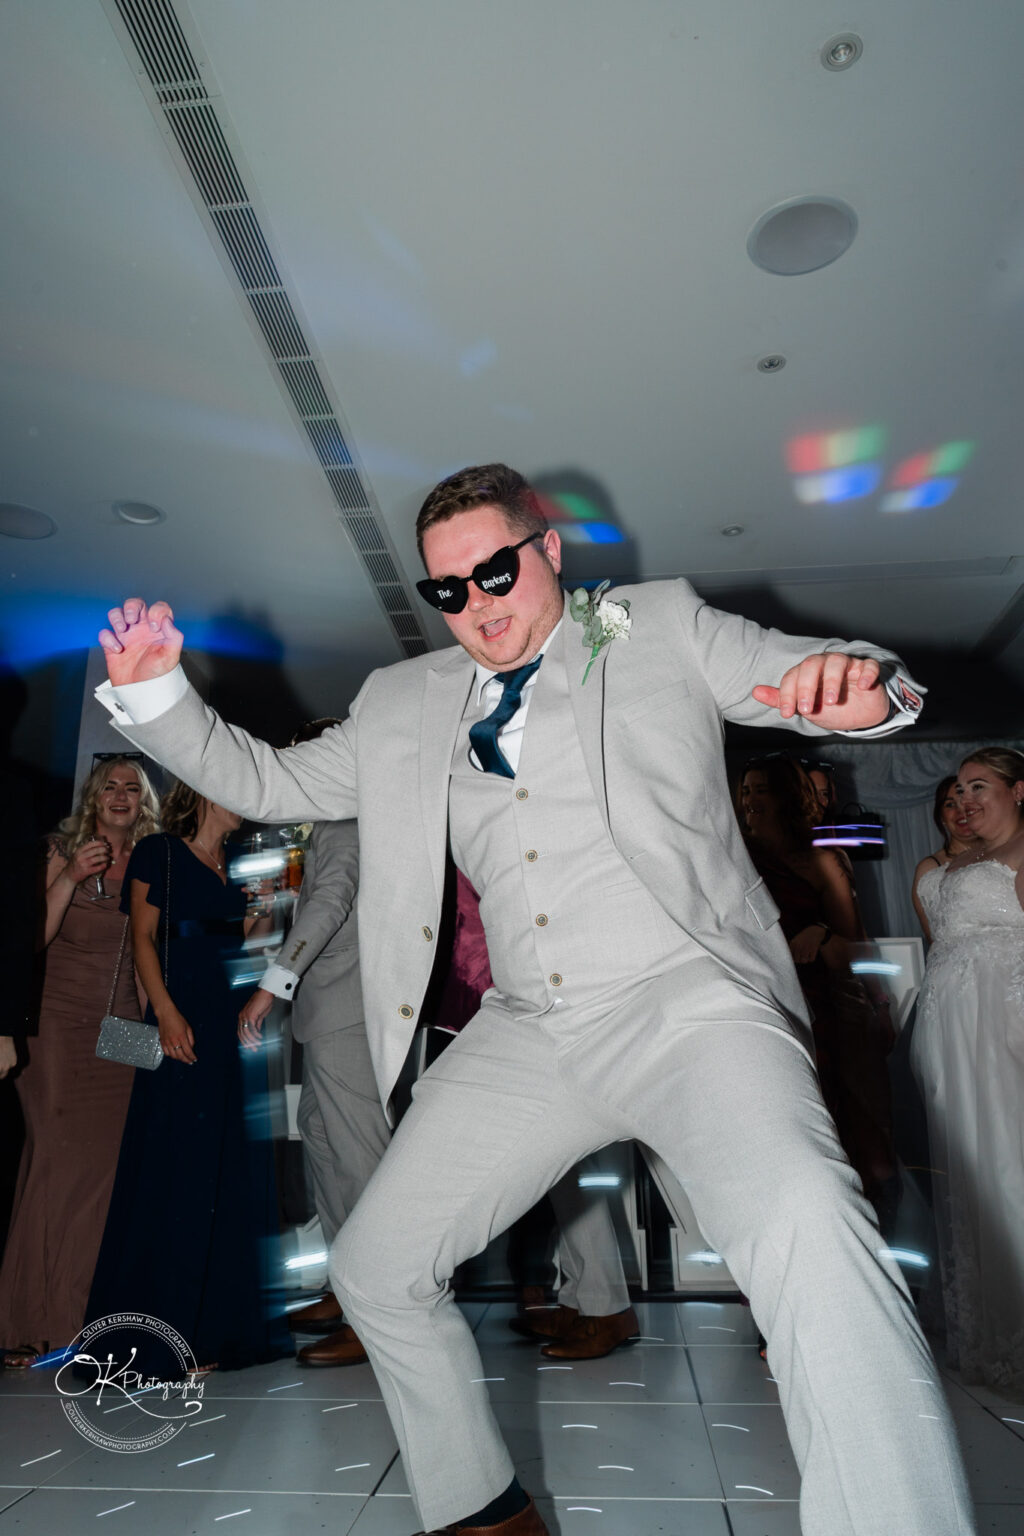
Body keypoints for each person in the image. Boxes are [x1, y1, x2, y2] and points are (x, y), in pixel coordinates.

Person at [94, 462, 972, 1536]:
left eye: (494, 572)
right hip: (531, 1029)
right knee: (374, 1267)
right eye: (447, 592)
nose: (477, 607)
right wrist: (158, 699)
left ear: (548, 549)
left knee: (807, 1228)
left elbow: (808, 674)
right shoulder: (400, 702)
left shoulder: (654, 625)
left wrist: (860, 688)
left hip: (688, 1001)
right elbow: (271, 783)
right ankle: (482, 1511)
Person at [84, 782, 290, 1376]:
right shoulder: (160, 852)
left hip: (226, 1026)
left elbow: (236, 948)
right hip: (178, 1018)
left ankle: (211, 1333)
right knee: (175, 1170)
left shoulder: (235, 865)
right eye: (231, 791)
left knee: (222, 1167)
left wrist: (263, 913)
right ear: (202, 795)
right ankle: (163, 1337)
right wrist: (166, 1012)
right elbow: (143, 937)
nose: (243, 802)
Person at [238, 718, 391, 1368]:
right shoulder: (322, 823)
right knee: (325, 1148)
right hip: (328, 1011)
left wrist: (273, 983)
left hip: (351, 1008)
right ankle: (346, 1287)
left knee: (362, 1162)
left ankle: (380, 1314)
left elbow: (331, 904)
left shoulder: (350, 818)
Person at [0, 756, 160, 1366]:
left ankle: (81, 1320)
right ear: (93, 795)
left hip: (121, 1032)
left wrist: (156, 1037)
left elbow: (148, 958)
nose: (120, 795)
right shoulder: (54, 850)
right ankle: (28, 1322)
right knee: (56, 1167)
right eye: (110, 786)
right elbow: (26, 943)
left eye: (131, 787)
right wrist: (69, 875)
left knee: (103, 1178)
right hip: (57, 1028)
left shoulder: (151, 860)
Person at [909, 747, 1024, 1394]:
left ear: (1020, 791)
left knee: (1011, 1164)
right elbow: (939, 942)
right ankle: (984, 1329)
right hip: (952, 1025)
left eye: (980, 786)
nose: (966, 799)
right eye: (958, 789)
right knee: (968, 1171)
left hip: (1005, 1019)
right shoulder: (956, 863)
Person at [738, 754, 896, 1217]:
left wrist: (822, 935)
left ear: (788, 795)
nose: (750, 801)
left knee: (854, 1134)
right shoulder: (733, 858)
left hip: (828, 1008)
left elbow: (858, 946)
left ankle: (865, 1236)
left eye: (761, 789)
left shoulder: (823, 859)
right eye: (746, 791)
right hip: (765, 1004)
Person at [911, 774, 977, 942]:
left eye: (965, 801)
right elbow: (934, 938)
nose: (961, 810)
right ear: (941, 818)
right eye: (950, 805)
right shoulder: (930, 868)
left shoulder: (1007, 853)